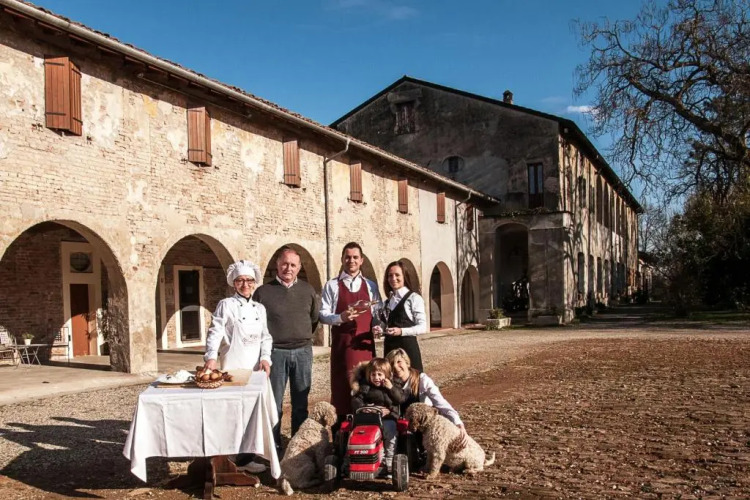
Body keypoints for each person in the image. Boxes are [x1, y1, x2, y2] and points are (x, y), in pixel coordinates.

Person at [203, 259, 272, 473]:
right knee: (232, 412)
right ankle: (228, 457)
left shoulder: (260, 308)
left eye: (249, 280)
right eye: (240, 280)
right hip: (232, 366)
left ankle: (246, 457)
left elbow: (265, 337)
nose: (245, 285)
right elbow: (215, 332)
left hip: (254, 369)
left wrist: (266, 358)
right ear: (234, 283)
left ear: (255, 283)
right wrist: (211, 357)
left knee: (252, 412)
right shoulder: (226, 305)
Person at [253, 247, 320, 453]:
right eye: (284, 264)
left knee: (301, 402)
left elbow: (314, 319)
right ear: (277, 264)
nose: (288, 268)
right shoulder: (263, 292)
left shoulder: (308, 290)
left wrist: (299, 336)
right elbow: (256, 324)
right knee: (274, 403)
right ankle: (273, 446)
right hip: (275, 353)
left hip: (302, 352)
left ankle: (298, 445)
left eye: (293, 265)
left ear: (299, 267)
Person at [319, 242, 382, 421]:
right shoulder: (332, 285)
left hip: (365, 346)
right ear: (342, 259)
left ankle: (367, 424)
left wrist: (378, 325)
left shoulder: (371, 286)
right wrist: (340, 317)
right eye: (348, 257)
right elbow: (323, 315)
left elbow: (377, 313)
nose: (351, 261)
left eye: (355, 257)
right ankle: (341, 430)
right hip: (342, 347)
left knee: (367, 385)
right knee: (342, 389)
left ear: (361, 260)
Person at [385, 348, 467, 446]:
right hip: (398, 423)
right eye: (391, 363)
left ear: (407, 363)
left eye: (399, 362)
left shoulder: (422, 380)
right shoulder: (388, 382)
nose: (395, 366)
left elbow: (441, 403)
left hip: (422, 424)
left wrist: (458, 424)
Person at [350, 357, 404, 476]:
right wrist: (365, 407)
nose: (376, 378)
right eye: (373, 375)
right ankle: (351, 460)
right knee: (357, 433)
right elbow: (356, 400)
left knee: (390, 430)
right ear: (369, 375)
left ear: (387, 375)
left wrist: (391, 388)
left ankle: (389, 460)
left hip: (388, 418)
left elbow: (400, 399)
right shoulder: (365, 387)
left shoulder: (393, 385)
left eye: (380, 374)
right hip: (369, 419)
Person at [374, 261, 427, 371]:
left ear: (404, 276)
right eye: (390, 275)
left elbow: (422, 327)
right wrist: (380, 329)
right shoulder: (387, 302)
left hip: (407, 351)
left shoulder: (414, 298)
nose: (393, 278)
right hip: (389, 351)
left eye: (397, 275)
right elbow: (385, 324)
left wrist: (401, 331)